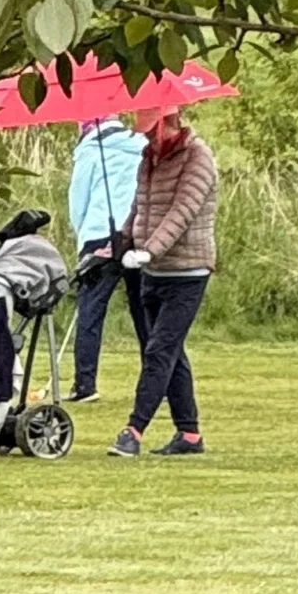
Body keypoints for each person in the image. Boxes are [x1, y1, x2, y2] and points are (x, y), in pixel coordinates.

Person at [108, 105, 218, 458]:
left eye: (150, 129)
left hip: (188, 271)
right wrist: (120, 243)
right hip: (152, 272)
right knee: (169, 352)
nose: (145, 137)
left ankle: (133, 430)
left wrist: (149, 251)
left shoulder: (198, 158)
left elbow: (182, 212)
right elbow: (140, 208)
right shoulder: (148, 158)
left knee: (159, 350)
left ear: (169, 123)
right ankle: (188, 434)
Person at [66, 116, 146, 403]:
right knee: (144, 310)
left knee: (90, 310)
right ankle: (158, 380)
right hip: (138, 233)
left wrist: (83, 239)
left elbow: (79, 201)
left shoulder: (89, 150)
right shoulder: (140, 145)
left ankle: (85, 384)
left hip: (100, 234)